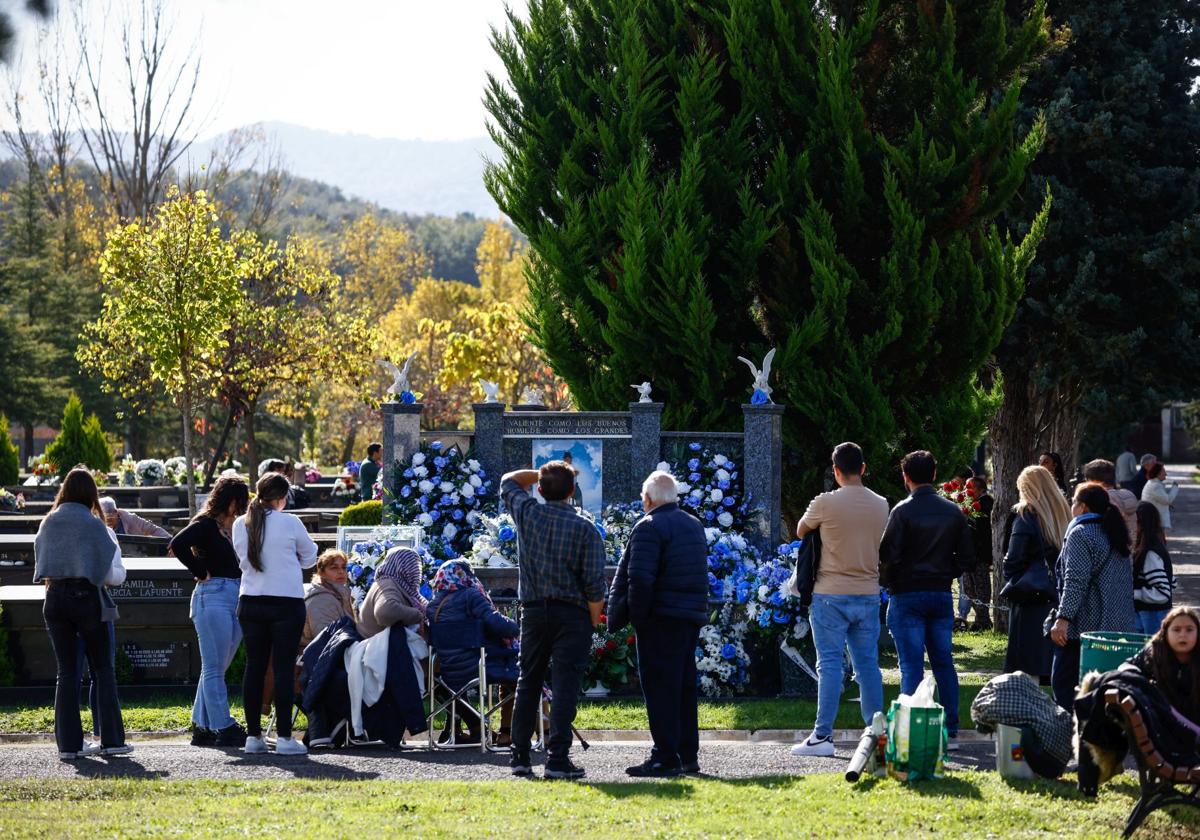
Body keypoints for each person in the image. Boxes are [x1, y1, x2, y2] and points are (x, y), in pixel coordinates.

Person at [501, 461, 606, 780]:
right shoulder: (586, 528)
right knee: (565, 686)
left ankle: (519, 755)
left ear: (541, 490)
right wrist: (592, 622)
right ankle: (558, 758)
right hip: (572, 613)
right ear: (573, 492)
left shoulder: (528, 513)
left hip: (533, 610)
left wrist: (541, 475)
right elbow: (594, 585)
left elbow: (508, 480)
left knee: (528, 680)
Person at [785, 442, 889, 758]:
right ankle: (876, 735)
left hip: (829, 593)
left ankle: (822, 736)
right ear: (863, 468)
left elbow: (802, 531)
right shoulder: (881, 504)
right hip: (868, 592)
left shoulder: (825, 503)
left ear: (835, 470)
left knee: (829, 665)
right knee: (867, 666)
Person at [606, 470, 708, 776]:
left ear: (648, 499)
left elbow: (640, 578)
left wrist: (637, 618)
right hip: (688, 616)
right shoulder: (694, 524)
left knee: (660, 688)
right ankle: (687, 753)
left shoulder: (649, 526)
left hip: (660, 618)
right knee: (683, 687)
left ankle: (664, 756)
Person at [33, 467, 130, 760]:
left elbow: (40, 558)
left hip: (54, 600)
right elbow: (110, 574)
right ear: (91, 494)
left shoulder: (48, 521)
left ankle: (69, 745)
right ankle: (111, 740)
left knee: (67, 673)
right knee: (102, 670)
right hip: (87, 600)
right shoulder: (94, 525)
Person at [879, 450, 974, 744]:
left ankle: (911, 730)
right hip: (940, 592)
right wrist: (947, 571)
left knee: (910, 666)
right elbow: (968, 558)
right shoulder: (952, 512)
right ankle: (951, 728)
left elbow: (887, 555)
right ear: (934, 475)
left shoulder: (902, 511)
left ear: (906, 478)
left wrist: (889, 582)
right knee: (943, 662)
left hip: (907, 593)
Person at [232, 473, 318, 756]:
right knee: (282, 668)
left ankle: (253, 736)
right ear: (282, 498)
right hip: (285, 602)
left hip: (251, 600)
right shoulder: (290, 522)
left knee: (255, 667)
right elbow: (310, 557)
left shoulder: (239, 524)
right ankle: (283, 736)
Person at [169, 476, 252, 747]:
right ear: (230, 502)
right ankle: (223, 724)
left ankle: (202, 725)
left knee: (216, 666)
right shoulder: (205, 525)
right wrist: (199, 570)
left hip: (234, 595)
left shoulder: (235, 528)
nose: (243, 507)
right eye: (240, 502)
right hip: (212, 595)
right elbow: (178, 544)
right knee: (215, 667)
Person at [1046, 483, 1138, 710]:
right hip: (1118, 627)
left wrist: (1063, 619)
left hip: (1084, 630)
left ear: (1083, 507)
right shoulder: (1115, 533)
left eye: (1074, 501)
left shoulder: (1081, 533)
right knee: (1106, 693)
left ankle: (1070, 739)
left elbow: (1075, 582)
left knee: (1064, 686)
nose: (1071, 506)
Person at [427, 559, 519, 745]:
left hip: (445, 671)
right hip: (478, 667)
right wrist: (517, 627)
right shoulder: (470, 595)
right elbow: (498, 624)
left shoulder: (433, 606)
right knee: (522, 669)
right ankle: (534, 731)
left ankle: (480, 730)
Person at [1001, 466, 1071, 682]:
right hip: (1058, 594)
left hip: (1031, 595)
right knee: (1053, 663)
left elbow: (1013, 559)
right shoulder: (1063, 512)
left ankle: (1030, 710)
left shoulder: (1026, 515)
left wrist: (1012, 576)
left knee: (1026, 665)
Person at [1126, 606, 1200, 727]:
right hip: (1160, 724)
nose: (1183, 635)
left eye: (1189, 630)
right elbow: (1126, 667)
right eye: (1176, 629)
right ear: (1166, 632)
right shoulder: (1153, 652)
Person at [357, 547, 427, 639]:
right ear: (402, 566)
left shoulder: (395, 584)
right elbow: (385, 612)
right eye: (412, 565)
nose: (416, 571)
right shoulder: (388, 584)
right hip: (378, 650)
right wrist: (418, 615)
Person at [1131, 502, 1173, 636]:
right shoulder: (1152, 547)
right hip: (1149, 615)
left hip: (1152, 616)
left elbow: (1163, 591)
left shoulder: (1150, 553)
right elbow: (1171, 581)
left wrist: (1133, 593)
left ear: (1141, 524)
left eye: (1133, 521)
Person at [302, 549, 356, 650]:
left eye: (344, 567)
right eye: (334, 568)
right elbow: (325, 642)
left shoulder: (339, 594)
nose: (341, 572)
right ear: (321, 572)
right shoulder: (321, 599)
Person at [962, 475, 995, 631]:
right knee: (969, 588)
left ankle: (983, 620)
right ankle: (980, 617)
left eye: (971, 487)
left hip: (980, 554)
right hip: (969, 554)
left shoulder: (986, 503)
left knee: (981, 587)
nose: (967, 490)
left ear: (980, 489)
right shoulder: (968, 504)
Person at [1082, 459, 1138, 542]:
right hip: (1131, 546)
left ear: (1094, 481)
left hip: (1111, 550)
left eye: (1087, 479)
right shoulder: (1128, 495)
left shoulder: (1101, 500)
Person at [98, 497, 170, 538]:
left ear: (116, 512)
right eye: (105, 519)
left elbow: (154, 530)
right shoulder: (95, 523)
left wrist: (171, 542)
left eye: (111, 518)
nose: (108, 521)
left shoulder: (131, 519)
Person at [1140, 463, 1180, 533]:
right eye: (1164, 472)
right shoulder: (1155, 486)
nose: (1166, 474)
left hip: (1152, 518)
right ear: (1158, 474)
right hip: (1155, 520)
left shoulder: (1153, 483)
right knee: (1158, 542)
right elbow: (1168, 500)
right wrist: (1175, 487)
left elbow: (1163, 499)